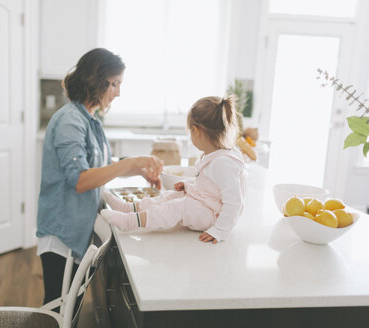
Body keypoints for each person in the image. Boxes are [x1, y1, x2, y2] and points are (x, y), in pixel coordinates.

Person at [36, 48, 164, 306]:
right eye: (114, 84)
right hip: (62, 232)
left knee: (68, 308)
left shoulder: (90, 120)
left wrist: (140, 168)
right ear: (96, 80)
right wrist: (130, 162)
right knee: (57, 307)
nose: (118, 92)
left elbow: (102, 167)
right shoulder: (70, 121)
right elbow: (81, 180)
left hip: (76, 226)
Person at [101, 95, 245, 243]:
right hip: (207, 205)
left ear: (196, 131)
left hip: (214, 216)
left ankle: (131, 222)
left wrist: (220, 230)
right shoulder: (213, 155)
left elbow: (234, 202)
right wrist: (188, 185)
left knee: (177, 207)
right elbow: (210, 186)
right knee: (169, 196)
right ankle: (130, 208)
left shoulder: (223, 163)